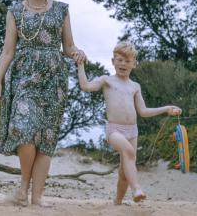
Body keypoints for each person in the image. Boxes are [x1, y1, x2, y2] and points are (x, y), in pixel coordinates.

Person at [0, 0, 86, 207]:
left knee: (46, 137)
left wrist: (77, 53)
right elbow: (8, 51)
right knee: (24, 130)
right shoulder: (15, 10)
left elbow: (68, 46)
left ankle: (37, 196)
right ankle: (23, 185)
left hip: (53, 77)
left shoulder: (62, 9)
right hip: (23, 74)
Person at [76, 42, 182, 204]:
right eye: (119, 60)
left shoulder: (135, 86)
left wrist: (166, 109)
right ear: (113, 61)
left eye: (127, 61)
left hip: (132, 131)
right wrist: (80, 65)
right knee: (129, 152)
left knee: (124, 172)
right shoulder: (107, 80)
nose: (123, 64)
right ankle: (136, 189)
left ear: (134, 63)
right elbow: (85, 86)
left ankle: (117, 202)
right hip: (114, 130)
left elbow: (143, 112)